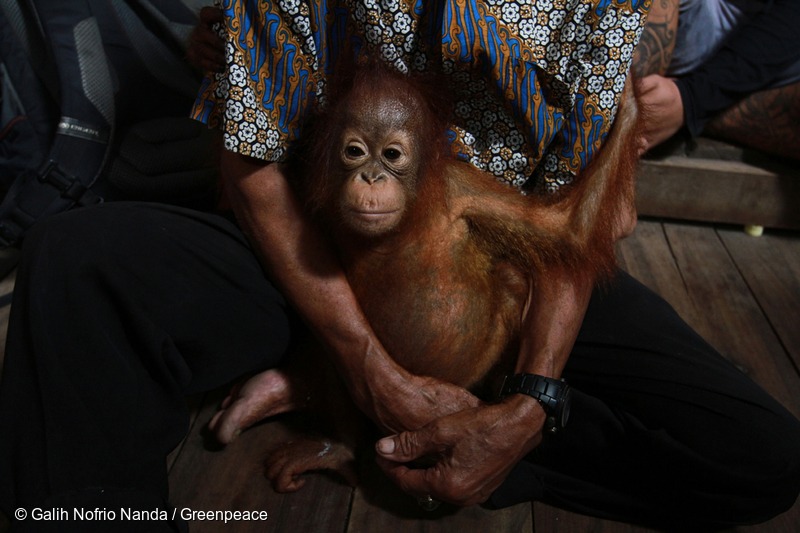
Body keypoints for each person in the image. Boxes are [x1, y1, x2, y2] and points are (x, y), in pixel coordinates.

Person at [1, 2, 799, 532]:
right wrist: (365, 364)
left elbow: (570, 218)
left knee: (758, 456)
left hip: (505, 274)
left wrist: (532, 399)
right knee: (76, 263)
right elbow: (251, 157)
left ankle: (449, 434)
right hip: (320, 249)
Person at [635, 0, 800, 157]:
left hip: (774, 47)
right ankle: (673, 109)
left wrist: (691, 100)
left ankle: (681, 113)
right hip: (693, 15)